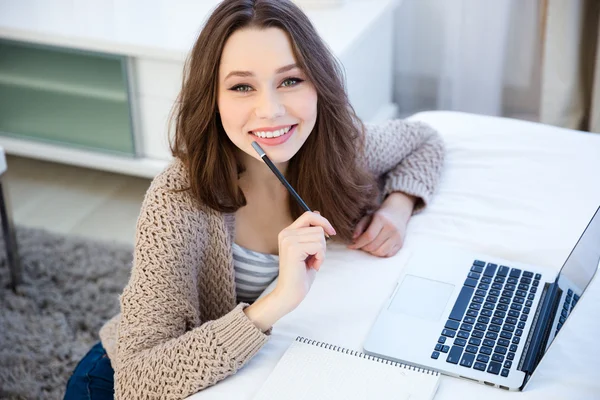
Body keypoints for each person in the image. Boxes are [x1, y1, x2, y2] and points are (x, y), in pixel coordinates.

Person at [64, 0, 445, 398]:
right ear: (212, 98)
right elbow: (139, 378)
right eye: (242, 86)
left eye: (290, 80)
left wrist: (397, 207)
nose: (271, 111)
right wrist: (277, 302)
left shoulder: (339, 151)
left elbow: (425, 140)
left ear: (319, 83)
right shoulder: (176, 200)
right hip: (113, 379)